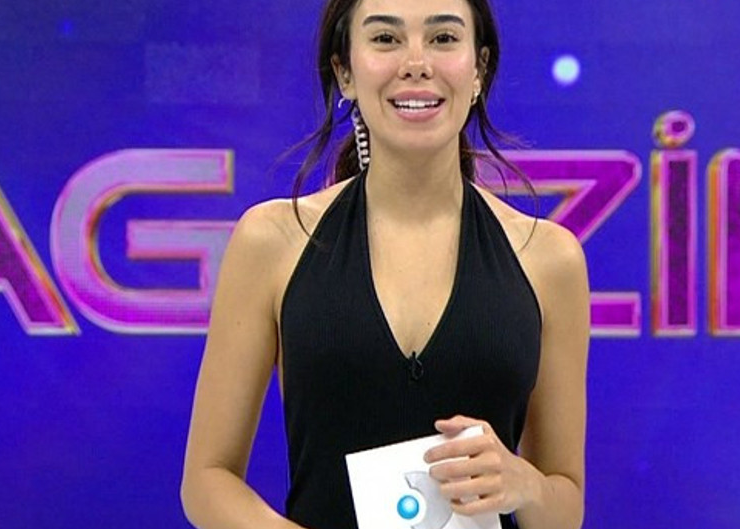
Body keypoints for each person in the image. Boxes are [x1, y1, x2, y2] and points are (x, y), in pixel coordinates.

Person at [180, 0, 589, 528]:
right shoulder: (273, 241)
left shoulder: (548, 259)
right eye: (386, 39)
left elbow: (564, 506)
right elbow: (207, 479)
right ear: (344, 73)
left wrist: (523, 484)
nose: (416, 63)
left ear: (479, 69)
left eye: (443, 39)